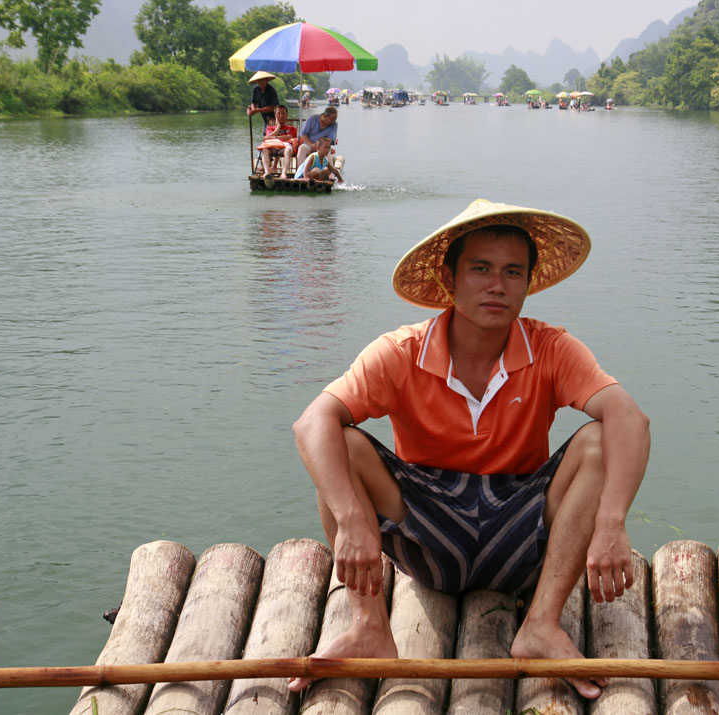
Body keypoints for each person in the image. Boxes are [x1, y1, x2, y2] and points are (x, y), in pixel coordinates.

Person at [288, 199, 650, 700]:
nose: (497, 285)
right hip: (428, 533)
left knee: (598, 442)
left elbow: (630, 417)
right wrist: (351, 519)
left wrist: (611, 523)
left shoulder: (550, 348)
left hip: (520, 535)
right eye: (480, 269)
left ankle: (541, 625)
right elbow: (311, 423)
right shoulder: (401, 352)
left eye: (512, 272)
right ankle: (370, 625)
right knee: (340, 444)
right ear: (450, 278)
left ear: (528, 283)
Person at [257, 105, 298, 178]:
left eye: (283, 113)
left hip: (284, 146)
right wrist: (278, 128)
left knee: (288, 150)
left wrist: (274, 137)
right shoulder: (270, 128)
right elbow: (266, 138)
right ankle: (267, 172)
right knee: (265, 150)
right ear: (275, 115)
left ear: (286, 115)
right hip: (272, 146)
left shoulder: (292, 128)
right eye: (279, 113)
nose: (281, 116)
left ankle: (283, 173)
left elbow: (289, 137)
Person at [295, 107, 339, 173]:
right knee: (302, 149)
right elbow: (303, 134)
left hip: (322, 145)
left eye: (334, 120)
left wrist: (320, 145)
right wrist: (311, 145)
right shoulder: (312, 119)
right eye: (331, 119)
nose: (333, 122)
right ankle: (301, 172)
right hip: (308, 144)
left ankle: (329, 174)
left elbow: (330, 139)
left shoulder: (334, 125)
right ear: (324, 116)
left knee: (327, 152)